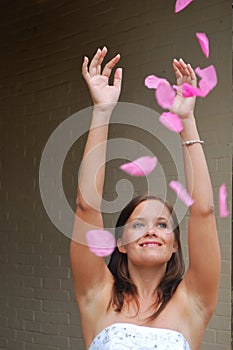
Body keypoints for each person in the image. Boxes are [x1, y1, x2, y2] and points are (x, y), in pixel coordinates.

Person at [70, 46, 221, 350]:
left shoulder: (193, 302)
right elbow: (87, 205)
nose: (152, 230)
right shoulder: (96, 296)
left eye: (163, 225)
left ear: (175, 244)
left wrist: (186, 120)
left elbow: (203, 210)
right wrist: (101, 111)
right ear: (120, 243)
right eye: (138, 225)